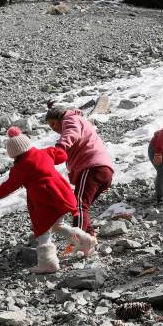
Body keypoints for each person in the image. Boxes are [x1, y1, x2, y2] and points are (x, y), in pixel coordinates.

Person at [0, 127, 96, 273]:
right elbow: (62, 156)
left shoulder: (20, 168)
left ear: (13, 154)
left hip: (44, 200)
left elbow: (6, 189)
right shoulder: (45, 153)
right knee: (57, 225)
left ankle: (48, 263)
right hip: (62, 194)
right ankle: (85, 240)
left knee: (43, 231)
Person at [45, 102, 114, 240]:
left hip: (92, 167)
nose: (53, 129)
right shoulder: (77, 119)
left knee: (79, 206)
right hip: (102, 169)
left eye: (53, 124)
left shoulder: (70, 119)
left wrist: (60, 148)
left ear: (60, 118)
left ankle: (78, 240)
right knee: (82, 207)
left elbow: (72, 132)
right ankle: (89, 239)